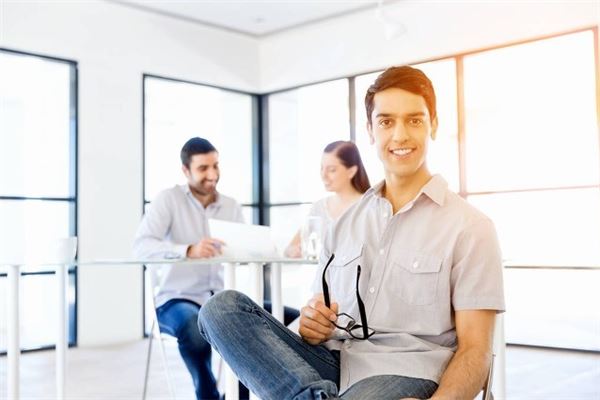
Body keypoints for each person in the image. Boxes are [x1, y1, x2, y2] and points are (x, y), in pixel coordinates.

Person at [197, 66, 505, 400]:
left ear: (433, 124)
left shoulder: (471, 228)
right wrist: (311, 325)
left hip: (407, 372)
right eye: (386, 122)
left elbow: (476, 350)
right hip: (332, 363)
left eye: (414, 120)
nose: (400, 135)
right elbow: (316, 316)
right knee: (220, 309)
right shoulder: (343, 224)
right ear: (370, 130)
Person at [133, 137, 298, 400]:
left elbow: (247, 248)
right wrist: (188, 250)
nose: (212, 174)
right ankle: (208, 395)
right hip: (175, 300)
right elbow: (141, 246)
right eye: (203, 168)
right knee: (194, 328)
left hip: (219, 299)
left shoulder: (230, 205)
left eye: (216, 166)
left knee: (284, 316)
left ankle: (240, 394)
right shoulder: (168, 200)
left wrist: (270, 247)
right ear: (185, 170)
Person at [284, 140, 370, 258]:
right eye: (322, 168)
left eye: (331, 170)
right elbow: (289, 248)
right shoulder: (319, 207)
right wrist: (294, 251)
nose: (323, 175)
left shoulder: (368, 206)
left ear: (351, 171)